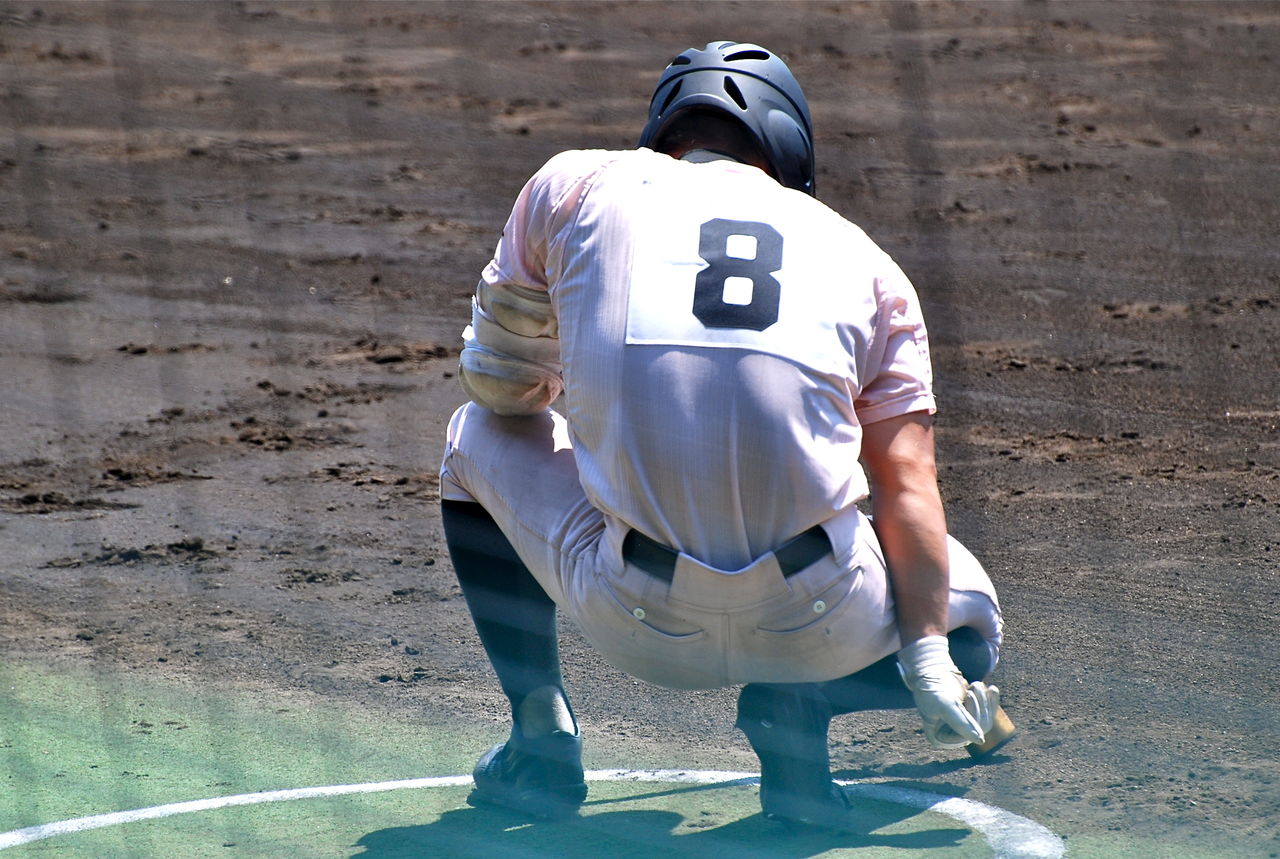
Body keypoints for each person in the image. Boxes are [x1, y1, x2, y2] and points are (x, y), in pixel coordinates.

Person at [437, 40, 1011, 830]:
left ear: (665, 134)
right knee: (971, 626)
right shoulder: (870, 266)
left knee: (473, 439)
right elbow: (907, 487)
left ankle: (540, 738)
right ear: (790, 150)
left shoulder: (575, 189)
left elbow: (501, 390)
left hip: (638, 622)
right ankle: (799, 713)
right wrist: (927, 663)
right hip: (821, 620)